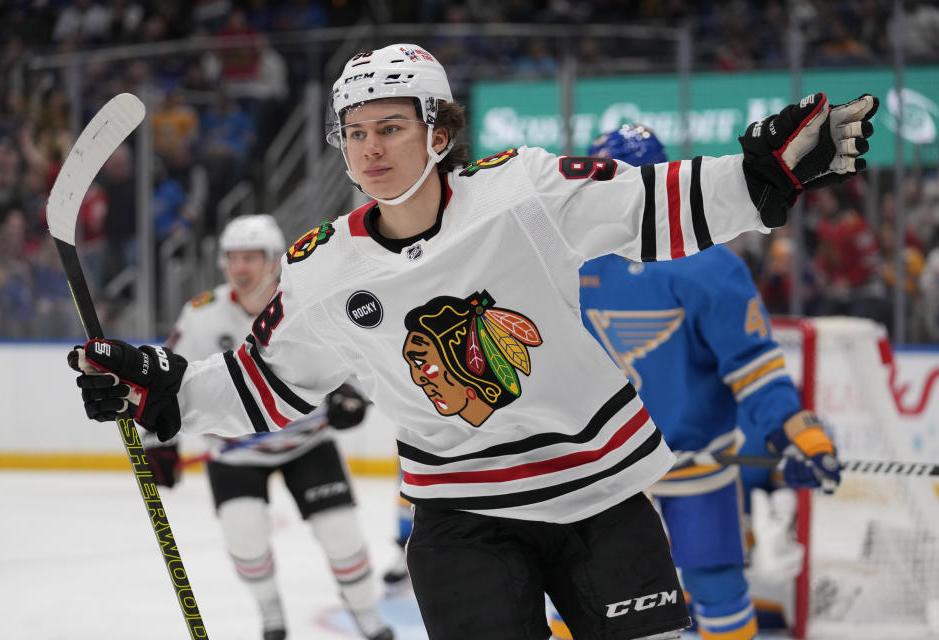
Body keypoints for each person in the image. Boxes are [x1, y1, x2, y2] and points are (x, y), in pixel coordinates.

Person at [68, 44, 877, 640]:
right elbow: (263, 385)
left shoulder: (520, 193)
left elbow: (648, 206)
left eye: (391, 127)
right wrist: (163, 388)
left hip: (600, 497)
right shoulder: (318, 271)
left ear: (439, 132)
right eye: (355, 133)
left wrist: (760, 176)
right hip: (462, 522)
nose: (372, 149)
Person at [544, 125, 843, 640]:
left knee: (716, 583)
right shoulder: (560, 261)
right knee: (584, 591)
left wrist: (793, 426)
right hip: (600, 470)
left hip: (693, 463)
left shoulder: (706, 263)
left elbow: (751, 363)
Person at [144, 214, 394, 640]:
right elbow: (170, 383)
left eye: (251, 258)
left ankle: (366, 613)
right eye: (232, 258)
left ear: (275, 260)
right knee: (245, 537)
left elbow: (357, 362)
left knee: (342, 536)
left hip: (307, 441)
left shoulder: (306, 302)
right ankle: (271, 614)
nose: (240, 268)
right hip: (235, 452)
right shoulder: (203, 315)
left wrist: (353, 398)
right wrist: (158, 443)